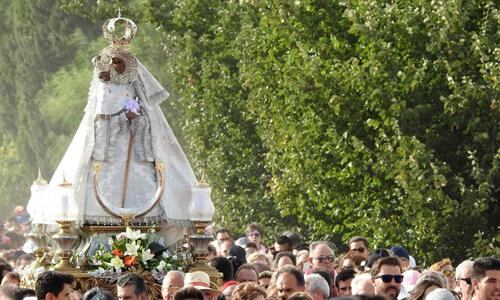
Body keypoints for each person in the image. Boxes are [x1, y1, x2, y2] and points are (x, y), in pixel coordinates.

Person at [34, 15, 196, 243]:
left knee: (148, 198)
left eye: (120, 62)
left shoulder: (136, 85)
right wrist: (121, 119)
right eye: (113, 61)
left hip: (136, 154)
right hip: (108, 157)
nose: (116, 66)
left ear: (129, 64)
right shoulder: (105, 88)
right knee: (96, 197)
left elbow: (152, 126)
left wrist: (136, 120)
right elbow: (100, 126)